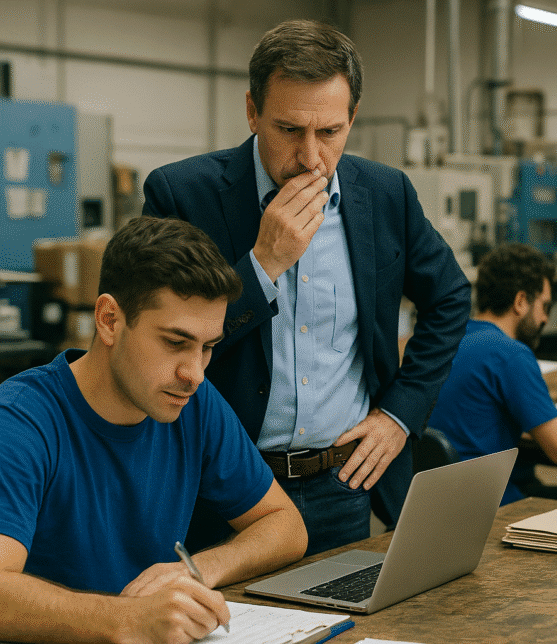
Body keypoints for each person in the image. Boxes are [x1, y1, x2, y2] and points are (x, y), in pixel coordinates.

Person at [142, 20, 471, 555]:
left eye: (331, 132)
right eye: (290, 130)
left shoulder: (386, 194)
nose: (312, 157)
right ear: (252, 111)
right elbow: (160, 342)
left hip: (343, 483)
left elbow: (451, 297)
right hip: (221, 486)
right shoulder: (182, 195)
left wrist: (398, 416)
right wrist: (262, 264)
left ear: (353, 118)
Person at [0, 217, 308, 644]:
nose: (195, 372)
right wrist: (131, 619)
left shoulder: (193, 403)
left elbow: (286, 526)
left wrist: (196, 570)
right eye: (175, 342)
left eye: (207, 347)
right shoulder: (21, 420)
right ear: (109, 320)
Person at [428, 243, 557, 505]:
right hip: (482, 506)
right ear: (521, 302)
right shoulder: (510, 354)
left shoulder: (444, 340)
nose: (544, 319)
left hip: (429, 501)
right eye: (544, 306)